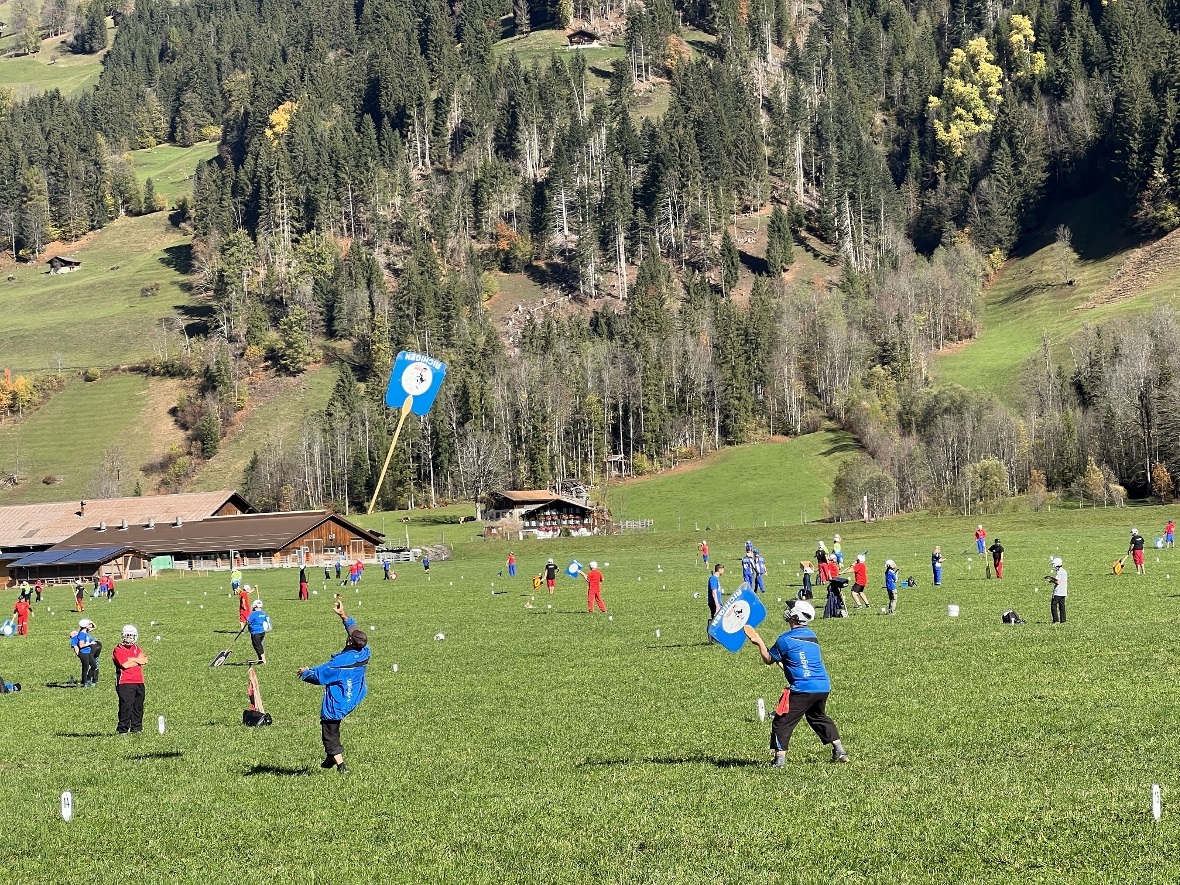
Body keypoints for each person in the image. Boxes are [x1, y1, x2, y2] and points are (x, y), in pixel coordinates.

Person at [742, 600, 849, 766]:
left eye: (791, 610)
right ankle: (839, 751)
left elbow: (769, 659)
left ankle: (779, 760)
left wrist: (758, 641)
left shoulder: (785, 639)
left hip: (802, 689)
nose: (788, 612)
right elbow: (795, 660)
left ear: (795, 616)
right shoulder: (812, 636)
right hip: (822, 686)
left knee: (782, 721)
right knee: (817, 717)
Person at [298, 601, 369, 775]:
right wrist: (343, 614)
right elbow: (354, 632)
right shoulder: (365, 651)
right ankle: (331, 757)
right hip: (355, 695)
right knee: (332, 727)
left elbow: (320, 676)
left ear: (350, 643)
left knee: (329, 732)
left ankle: (341, 766)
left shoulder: (340, 663)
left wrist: (305, 672)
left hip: (338, 701)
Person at [112, 624, 147, 734]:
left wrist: (132, 659)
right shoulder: (118, 649)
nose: (130, 638)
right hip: (125, 682)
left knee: (138, 705)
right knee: (126, 705)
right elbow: (125, 664)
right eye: (127, 636)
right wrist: (137, 660)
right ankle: (122, 729)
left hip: (139, 681)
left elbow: (145, 660)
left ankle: (137, 728)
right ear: (123, 636)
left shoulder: (137, 648)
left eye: (132, 636)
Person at [75, 619, 99, 686]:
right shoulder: (82, 634)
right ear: (85, 626)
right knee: (85, 669)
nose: (90, 625)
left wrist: (91, 621)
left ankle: (88, 679)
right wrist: (90, 643)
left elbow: (94, 627)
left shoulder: (86, 631)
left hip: (88, 652)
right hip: (84, 653)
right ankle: (85, 683)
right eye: (89, 624)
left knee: (94, 666)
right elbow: (81, 645)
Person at [246, 600, 270, 664]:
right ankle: (260, 660)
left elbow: (248, 621)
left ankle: (263, 660)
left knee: (258, 646)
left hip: (255, 633)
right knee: (258, 645)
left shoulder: (253, 614)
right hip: (262, 632)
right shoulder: (263, 613)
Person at [1047, 557, 1068, 624]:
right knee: (1062, 607)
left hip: (1058, 592)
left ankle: (1056, 620)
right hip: (1063, 592)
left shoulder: (1059, 572)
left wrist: (1051, 580)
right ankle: (1063, 620)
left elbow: (1057, 582)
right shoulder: (1064, 571)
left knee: (1053, 606)